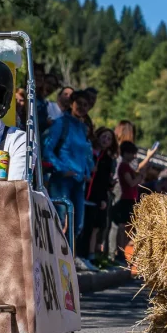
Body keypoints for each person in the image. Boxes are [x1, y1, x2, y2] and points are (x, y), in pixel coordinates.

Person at [42, 90, 94, 238]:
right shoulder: (61, 123)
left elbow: (85, 155)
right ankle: (55, 259)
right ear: (72, 104)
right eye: (79, 103)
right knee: (59, 221)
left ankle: (69, 258)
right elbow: (47, 149)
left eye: (86, 105)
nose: (82, 107)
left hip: (78, 182)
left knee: (77, 225)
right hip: (62, 180)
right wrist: (62, 169)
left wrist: (87, 173)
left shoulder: (83, 129)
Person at [112, 140, 159, 261]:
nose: (134, 156)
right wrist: (142, 176)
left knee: (127, 227)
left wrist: (144, 168)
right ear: (125, 153)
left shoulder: (127, 166)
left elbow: (137, 171)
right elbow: (132, 182)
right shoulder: (123, 166)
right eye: (132, 153)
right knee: (123, 227)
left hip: (130, 198)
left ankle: (121, 251)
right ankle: (119, 251)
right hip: (125, 198)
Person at [79, 126, 117, 259]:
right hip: (81, 192)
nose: (105, 140)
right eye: (104, 136)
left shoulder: (107, 159)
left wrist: (103, 199)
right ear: (98, 136)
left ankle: (86, 256)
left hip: (95, 198)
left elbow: (104, 182)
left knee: (91, 228)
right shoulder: (88, 151)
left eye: (109, 139)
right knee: (78, 225)